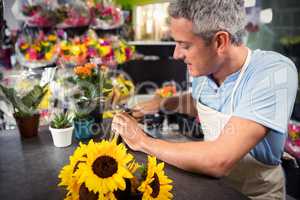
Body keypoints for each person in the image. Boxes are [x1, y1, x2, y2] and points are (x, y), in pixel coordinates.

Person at [112, 0, 298, 199]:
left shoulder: (273, 72)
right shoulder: (204, 70)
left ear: (220, 42)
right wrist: (162, 103)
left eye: (184, 45)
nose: (176, 54)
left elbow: (219, 160)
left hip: (255, 195)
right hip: (212, 188)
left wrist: (142, 141)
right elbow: (203, 103)